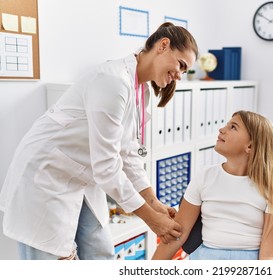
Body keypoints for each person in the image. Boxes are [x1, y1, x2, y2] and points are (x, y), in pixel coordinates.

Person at [0, 22, 199, 260]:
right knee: (50, 259)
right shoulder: (112, 80)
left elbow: (128, 155)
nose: (180, 75)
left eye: (185, 71)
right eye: (181, 65)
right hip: (46, 178)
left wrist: (153, 202)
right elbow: (107, 166)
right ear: (163, 45)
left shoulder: (141, 90)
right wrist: (151, 218)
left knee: (100, 253)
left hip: (83, 178)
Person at [152, 110, 273, 260]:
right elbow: (177, 235)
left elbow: (271, 256)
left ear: (250, 146)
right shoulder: (205, 177)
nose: (221, 129)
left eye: (233, 127)